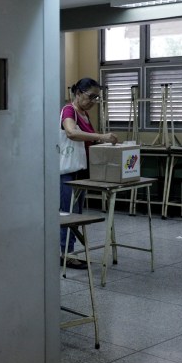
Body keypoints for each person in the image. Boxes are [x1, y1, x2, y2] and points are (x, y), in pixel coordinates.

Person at [60, 78, 118, 269]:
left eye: (97, 98)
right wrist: (101, 136)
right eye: (90, 96)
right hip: (68, 172)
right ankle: (63, 253)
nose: (93, 101)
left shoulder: (84, 114)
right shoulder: (69, 111)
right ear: (78, 94)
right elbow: (71, 133)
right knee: (67, 213)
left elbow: (86, 140)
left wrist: (100, 143)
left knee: (76, 213)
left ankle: (68, 251)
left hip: (82, 171)